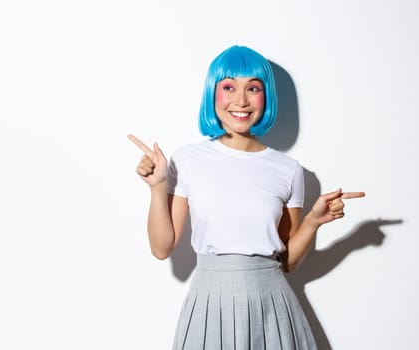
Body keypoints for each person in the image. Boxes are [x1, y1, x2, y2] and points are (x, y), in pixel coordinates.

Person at [128, 45, 365, 349]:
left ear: (266, 96)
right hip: (209, 302)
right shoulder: (187, 160)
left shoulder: (288, 170)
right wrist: (157, 187)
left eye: (253, 88)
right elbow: (161, 249)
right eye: (229, 87)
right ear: (212, 93)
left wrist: (313, 222)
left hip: (272, 303)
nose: (241, 100)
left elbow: (287, 263)